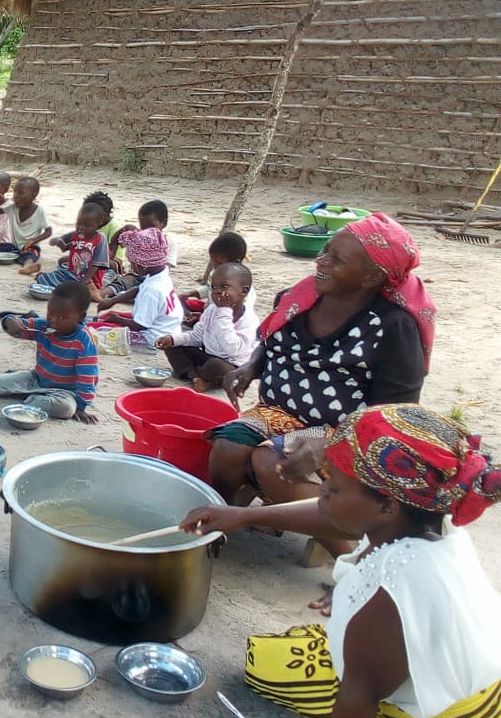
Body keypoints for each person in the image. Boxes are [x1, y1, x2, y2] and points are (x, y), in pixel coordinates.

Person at [180, 404, 501, 718]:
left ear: (386, 505)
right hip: (468, 680)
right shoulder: (424, 521)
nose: (323, 490)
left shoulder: (394, 590)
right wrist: (244, 516)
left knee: (270, 669)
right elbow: (333, 515)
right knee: (276, 655)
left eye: (334, 485)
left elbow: (357, 700)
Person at [206, 214, 436, 569]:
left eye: (336, 259)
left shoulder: (392, 327)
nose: (321, 260)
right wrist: (251, 367)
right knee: (227, 448)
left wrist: (330, 442)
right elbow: (272, 342)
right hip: (277, 414)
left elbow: (396, 415)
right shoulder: (299, 298)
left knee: (274, 463)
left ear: (371, 277)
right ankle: (215, 528)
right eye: (325, 250)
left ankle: (353, 561)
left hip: (348, 433)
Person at [0, 280, 99, 423]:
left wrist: (81, 406)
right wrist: (9, 321)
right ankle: (34, 397)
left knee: (66, 409)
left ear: (80, 317)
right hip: (37, 379)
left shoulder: (83, 341)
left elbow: (87, 378)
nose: (52, 320)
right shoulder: (43, 326)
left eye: (61, 317)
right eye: (50, 312)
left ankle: (31, 397)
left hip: (65, 392)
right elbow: (18, 328)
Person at [157, 262, 258, 391]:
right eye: (214, 287)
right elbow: (197, 336)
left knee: (216, 366)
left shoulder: (249, 320)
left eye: (224, 286)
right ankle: (194, 376)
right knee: (173, 345)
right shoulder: (212, 310)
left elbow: (233, 350)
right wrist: (173, 339)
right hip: (208, 356)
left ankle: (205, 379)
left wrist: (224, 313)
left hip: (231, 365)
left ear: (243, 291)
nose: (217, 292)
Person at [93, 227, 182, 346]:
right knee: (107, 316)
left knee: (95, 331)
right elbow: (140, 289)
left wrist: (117, 319)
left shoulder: (152, 290)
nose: (132, 268)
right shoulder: (160, 273)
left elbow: (140, 325)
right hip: (169, 327)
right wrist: (113, 300)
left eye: (133, 264)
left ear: (143, 265)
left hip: (153, 336)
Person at [37, 195, 112, 297]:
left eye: (88, 225)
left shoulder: (100, 238)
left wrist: (84, 282)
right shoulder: (78, 234)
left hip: (90, 279)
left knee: (66, 286)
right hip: (72, 273)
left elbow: (96, 265)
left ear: (99, 223)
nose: (82, 227)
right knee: (43, 277)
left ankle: (86, 290)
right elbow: (65, 247)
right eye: (79, 223)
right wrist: (58, 241)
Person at [102, 199, 176, 302]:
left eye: (151, 226)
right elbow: (116, 241)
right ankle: (101, 295)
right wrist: (122, 231)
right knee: (123, 282)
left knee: (156, 292)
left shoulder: (168, 241)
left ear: (164, 223)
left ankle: (129, 296)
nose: (147, 230)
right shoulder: (137, 237)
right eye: (143, 226)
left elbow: (165, 268)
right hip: (135, 275)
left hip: (154, 277)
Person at [181, 231, 257, 321]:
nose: (214, 266)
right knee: (180, 301)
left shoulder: (240, 288)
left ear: (235, 262)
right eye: (213, 261)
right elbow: (209, 288)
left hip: (226, 322)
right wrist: (193, 293)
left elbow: (234, 316)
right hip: (210, 312)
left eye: (219, 263)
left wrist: (203, 319)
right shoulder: (216, 273)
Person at [0, 176, 51, 276]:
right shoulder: (12, 208)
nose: (15, 196)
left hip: (30, 247)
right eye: (15, 192)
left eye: (21, 193)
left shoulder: (39, 211)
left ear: (33, 195)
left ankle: (27, 267)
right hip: (15, 247)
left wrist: (33, 241)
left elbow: (48, 232)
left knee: (30, 256)